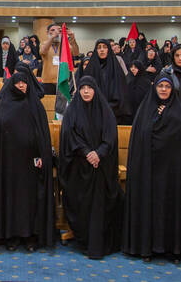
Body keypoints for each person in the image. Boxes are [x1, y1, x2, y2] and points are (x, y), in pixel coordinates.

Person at [122, 71, 181, 261]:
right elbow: (140, 138)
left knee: (172, 210)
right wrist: (156, 121)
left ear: (172, 89)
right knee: (151, 209)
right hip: (150, 172)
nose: (163, 90)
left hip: (173, 173)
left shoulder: (180, 111)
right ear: (154, 88)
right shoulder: (145, 110)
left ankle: (174, 250)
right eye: (160, 86)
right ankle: (148, 248)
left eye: (167, 86)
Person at [59, 76, 123, 259]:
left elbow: (110, 137)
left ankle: (98, 241)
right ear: (78, 91)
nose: (86, 91)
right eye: (82, 88)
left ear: (95, 90)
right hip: (79, 166)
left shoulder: (105, 111)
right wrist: (87, 152)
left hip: (101, 166)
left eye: (89, 88)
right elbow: (69, 136)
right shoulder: (72, 111)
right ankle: (84, 239)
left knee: (100, 203)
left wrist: (98, 153)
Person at [0, 70, 54, 252]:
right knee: (11, 199)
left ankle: (30, 236)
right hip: (8, 162)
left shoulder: (35, 105)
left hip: (31, 162)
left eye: (24, 82)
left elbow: (43, 135)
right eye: (18, 82)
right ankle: (12, 236)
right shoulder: (3, 103)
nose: (21, 85)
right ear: (12, 84)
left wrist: (43, 157)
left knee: (29, 200)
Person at [82, 39, 131, 125]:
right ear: (95, 50)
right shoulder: (90, 69)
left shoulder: (116, 70)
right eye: (99, 47)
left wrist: (107, 107)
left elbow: (122, 93)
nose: (102, 50)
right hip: (92, 113)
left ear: (109, 49)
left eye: (104, 47)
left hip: (113, 114)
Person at [40, 23, 79, 95]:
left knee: (62, 105)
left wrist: (73, 38)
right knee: (48, 104)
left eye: (59, 30)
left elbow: (76, 53)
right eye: (53, 30)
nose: (56, 32)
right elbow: (43, 51)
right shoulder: (44, 43)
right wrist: (52, 37)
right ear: (47, 32)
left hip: (63, 82)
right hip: (47, 82)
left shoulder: (65, 45)